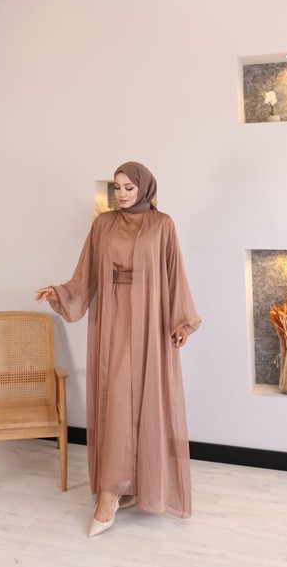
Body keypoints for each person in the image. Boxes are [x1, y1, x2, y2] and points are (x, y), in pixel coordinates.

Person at [35, 161, 201, 537]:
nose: (122, 194)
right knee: (115, 402)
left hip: (150, 323)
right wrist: (60, 292)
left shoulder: (162, 225)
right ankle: (112, 491)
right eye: (117, 188)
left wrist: (181, 321)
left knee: (142, 402)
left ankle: (123, 490)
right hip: (111, 321)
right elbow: (86, 274)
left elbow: (174, 274)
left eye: (129, 187)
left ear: (144, 188)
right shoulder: (103, 224)